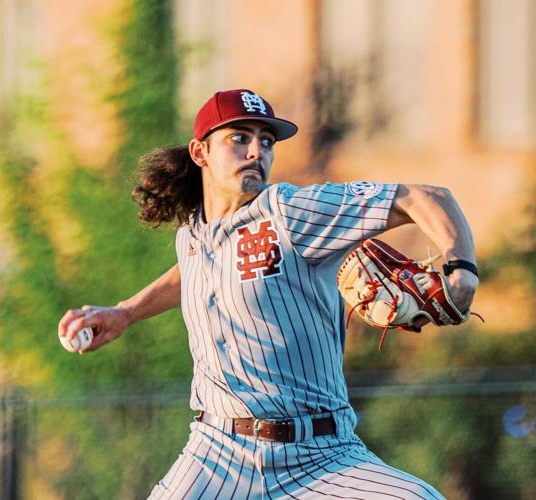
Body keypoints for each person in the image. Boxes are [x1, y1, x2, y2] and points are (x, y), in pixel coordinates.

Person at [58, 89, 479, 498]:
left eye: (266, 141)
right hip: (217, 454)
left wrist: (462, 270)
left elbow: (427, 197)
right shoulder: (193, 232)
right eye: (239, 138)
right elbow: (193, 271)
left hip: (321, 456)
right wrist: (125, 312)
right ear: (200, 152)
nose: (257, 151)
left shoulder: (291, 213)